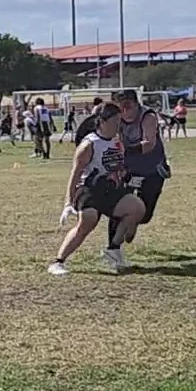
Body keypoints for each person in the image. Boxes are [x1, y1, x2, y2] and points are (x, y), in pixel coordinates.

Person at [47, 102, 142, 275]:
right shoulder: (89, 144)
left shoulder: (117, 140)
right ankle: (58, 261)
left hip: (110, 189)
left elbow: (118, 165)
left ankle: (113, 250)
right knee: (88, 221)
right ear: (103, 122)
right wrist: (68, 203)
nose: (118, 125)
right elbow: (75, 174)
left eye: (119, 121)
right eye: (114, 121)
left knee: (137, 208)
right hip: (89, 189)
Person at [109, 89, 170, 251]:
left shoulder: (148, 116)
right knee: (118, 207)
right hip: (127, 169)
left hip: (151, 169)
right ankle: (113, 249)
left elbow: (149, 144)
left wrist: (125, 150)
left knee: (145, 215)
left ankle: (134, 221)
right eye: (120, 106)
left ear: (137, 104)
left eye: (128, 105)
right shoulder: (115, 119)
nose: (124, 110)